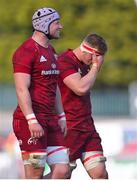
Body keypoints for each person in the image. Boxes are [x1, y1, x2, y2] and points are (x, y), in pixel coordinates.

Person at [12, 7, 70, 179]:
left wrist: (61, 115)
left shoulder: (51, 51)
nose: (60, 26)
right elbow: (21, 88)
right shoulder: (26, 51)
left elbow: (55, 86)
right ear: (45, 25)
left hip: (50, 120)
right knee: (35, 174)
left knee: (63, 171)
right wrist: (31, 120)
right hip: (29, 121)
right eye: (57, 23)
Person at [58, 33, 108, 179]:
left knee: (100, 173)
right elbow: (80, 88)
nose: (98, 62)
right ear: (91, 53)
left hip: (87, 127)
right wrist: (95, 67)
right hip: (70, 127)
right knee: (63, 174)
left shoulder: (86, 65)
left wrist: (93, 67)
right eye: (97, 57)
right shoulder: (65, 61)